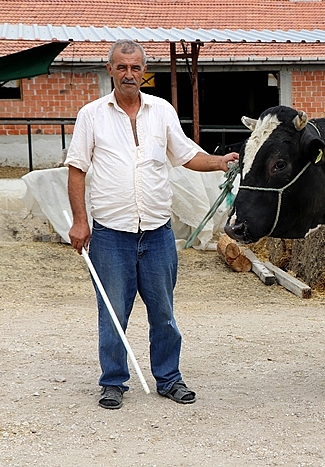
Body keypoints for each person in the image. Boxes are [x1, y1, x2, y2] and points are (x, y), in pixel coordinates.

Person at [65, 39, 237, 410]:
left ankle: (169, 379)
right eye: (121, 67)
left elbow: (186, 155)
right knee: (113, 313)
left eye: (135, 67)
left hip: (158, 234)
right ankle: (113, 382)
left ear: (145, 71)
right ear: (110, 70)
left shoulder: (162, 111)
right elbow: (76, 169)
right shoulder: (91, 115)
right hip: (110, 235)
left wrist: (219, 162)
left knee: (164, 313)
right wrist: (80, 221)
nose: (129, 74)